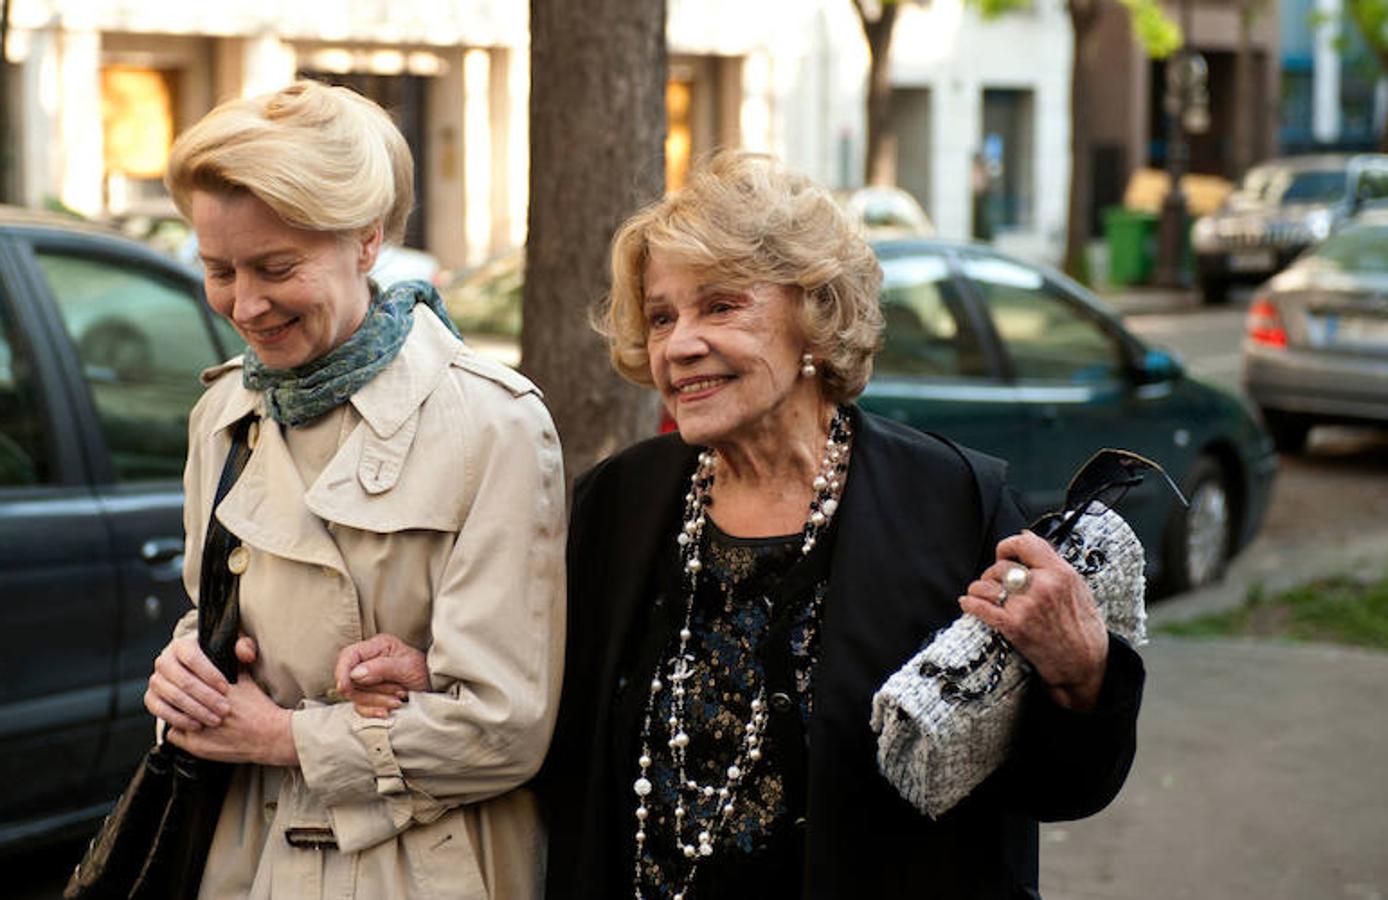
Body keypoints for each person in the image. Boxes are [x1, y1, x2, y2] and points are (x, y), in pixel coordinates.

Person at [350, 151, 1145, 898]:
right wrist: (438, 682)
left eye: (720, 306)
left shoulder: (948, 502)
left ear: (813, 315)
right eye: (661, 319)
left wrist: (1080, 676)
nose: (680, 345)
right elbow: (556, 721)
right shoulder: (617, 505)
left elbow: (1052, 788)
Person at [141, 80, 565, 899]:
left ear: (367, 241)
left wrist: (284, 739)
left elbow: (505, 729)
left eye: (276, 267)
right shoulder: (223, 411)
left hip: (420, 864)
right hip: (241, 853)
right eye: (218, 269)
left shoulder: (492, 423)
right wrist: (182, 678)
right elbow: (220, 623)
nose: (246, 303)